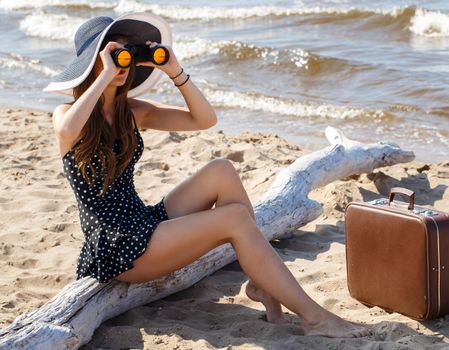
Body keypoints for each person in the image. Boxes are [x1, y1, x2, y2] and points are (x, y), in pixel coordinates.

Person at [44, 12, 372, 339]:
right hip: (117, 246)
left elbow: (204, 119)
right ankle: (315, 319)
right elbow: (69, 128)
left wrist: (175, 71)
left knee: (222, 171)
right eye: (114, 55)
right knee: (234, 220)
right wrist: (103, 75)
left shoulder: (133, 112)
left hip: (141, 222)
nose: (122, 64)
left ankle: (261, 283)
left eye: (127, 56)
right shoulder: (68, 116)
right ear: (92, 62)